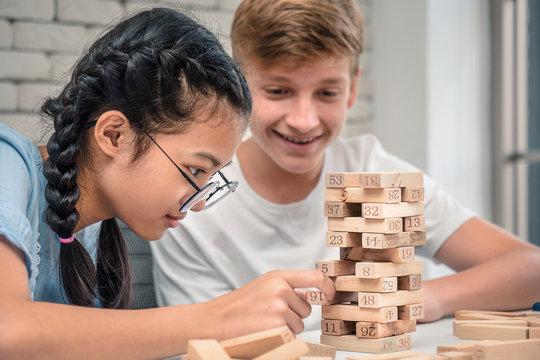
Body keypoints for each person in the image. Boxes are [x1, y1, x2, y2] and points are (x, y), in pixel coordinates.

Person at [152, 0, 540, 331]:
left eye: (327, 92)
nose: (304, 120)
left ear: (352, 88)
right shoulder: (192, 202)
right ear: (238, 83)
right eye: (278, 90)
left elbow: (530, 267)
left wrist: (424, 299)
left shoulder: (375, 170)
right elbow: (197, 343)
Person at [0, 7, 335, 358]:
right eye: (194, 170)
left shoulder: (94, 234)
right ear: (114, 135)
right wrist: (218, 317)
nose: (200, 202)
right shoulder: (9, 163)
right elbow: (8, 330)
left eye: (211, 177)